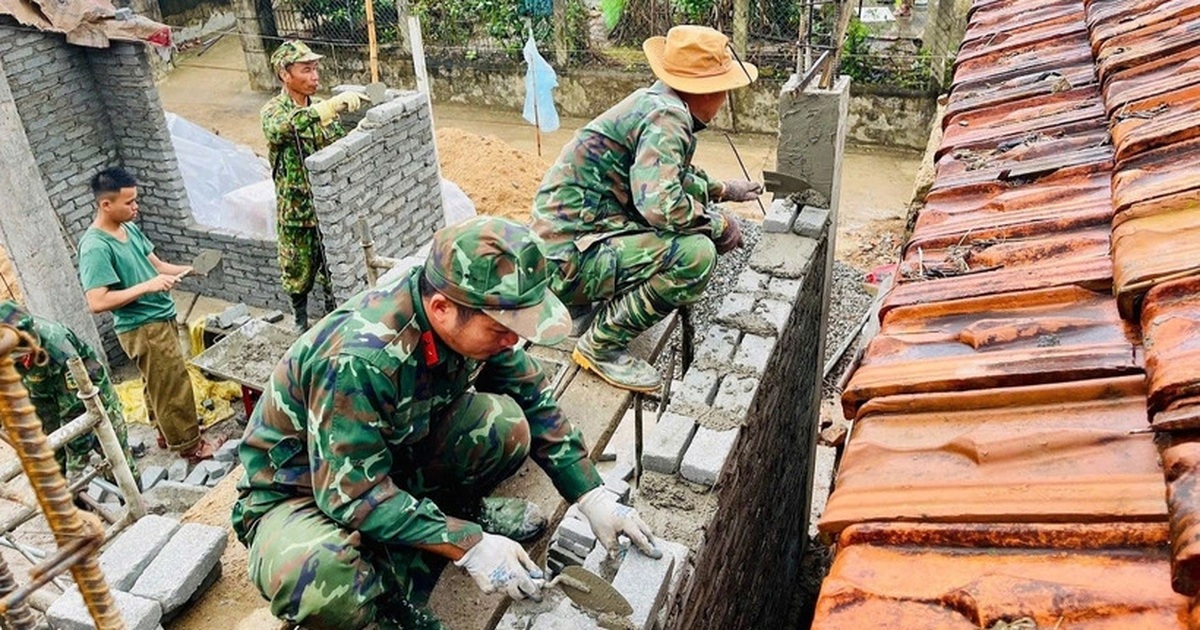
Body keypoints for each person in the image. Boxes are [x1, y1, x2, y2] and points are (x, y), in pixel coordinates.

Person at [232, 216, 660, 629]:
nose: (512, 340)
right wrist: (468, 545)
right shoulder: (360, 362)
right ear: (441, 309)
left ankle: (457, 515)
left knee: (505, 428)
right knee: (322, 581)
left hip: (388, 457)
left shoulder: (470, 309)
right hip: (301, 493)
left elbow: (533, 398)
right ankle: (387, 613)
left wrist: (590, 494)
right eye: (502, 330)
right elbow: (352, 495)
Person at [530, 25, 763, 393]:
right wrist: (717, 226)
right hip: (566, 262)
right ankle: (601, 345)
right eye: (724, 90)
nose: (724, 100)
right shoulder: (667, 118)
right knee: (696, 254)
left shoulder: (655, 104)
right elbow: (661, 205)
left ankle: (582, 307)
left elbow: (668, 177)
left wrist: (722, 190)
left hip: (561, 248)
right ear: (705, 89)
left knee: (678, 235)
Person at [78, 167, 216, 462]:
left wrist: (189, 270)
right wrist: (147, 287)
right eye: (129, 202)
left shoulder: (128, 228)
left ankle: (166, 433)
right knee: (173, 384)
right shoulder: (95, 247)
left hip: (159, 316)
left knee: (156, 383)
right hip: (142, 326)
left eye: (135, 200)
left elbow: (157, 265)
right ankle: (192, 446)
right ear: (106, 204)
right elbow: (97, 300)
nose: (135, 207)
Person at [262, 39, 367, 330]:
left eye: (315, 69)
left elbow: (337, 145)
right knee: (297, 270)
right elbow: (282, 128)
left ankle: (334, 320)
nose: (315, 76)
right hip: (296, 212)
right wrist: (324, 110)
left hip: (328, 210)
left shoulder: (322, 108)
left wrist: (360, 132)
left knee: (333, 269)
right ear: (285, 74)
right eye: (306, 70)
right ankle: (300, 321)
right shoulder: (274, 111)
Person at [0, 301, 138, 478]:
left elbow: (77, 414)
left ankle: (133, 500)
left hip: (88, 398)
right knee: (55, 464)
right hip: (42, 399)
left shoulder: (58, 349)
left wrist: (75, 470)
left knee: (115, 459)